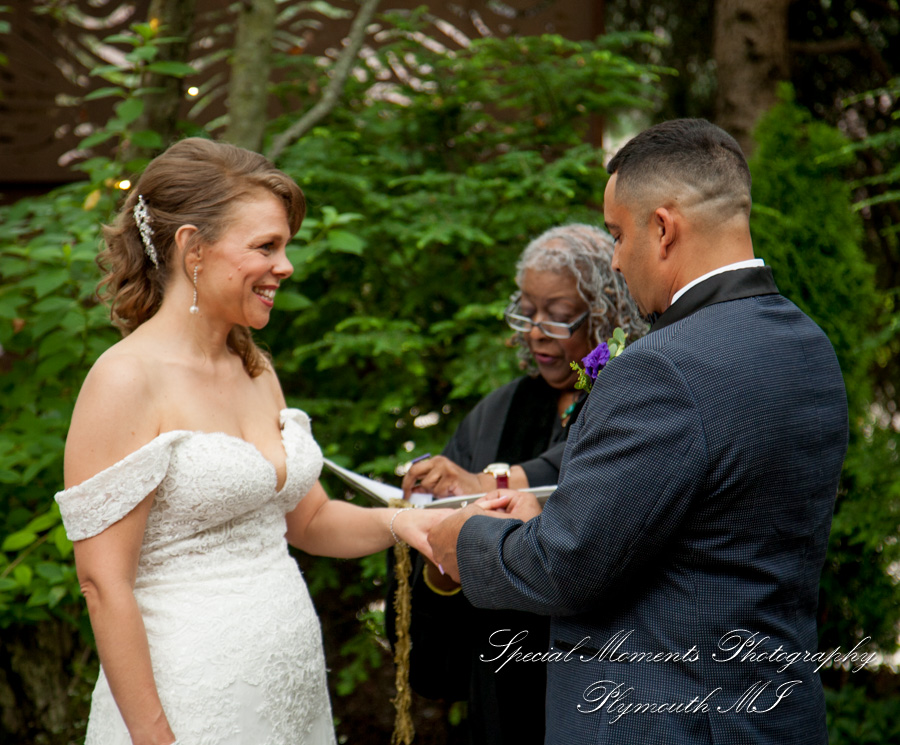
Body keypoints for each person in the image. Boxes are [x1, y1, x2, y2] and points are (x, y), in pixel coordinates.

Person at [429, 119, 849, 745]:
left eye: (618, 234)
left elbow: (566, 568)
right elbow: (706, 529)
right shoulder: (808, 344)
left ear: (663, 227)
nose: (617, 258)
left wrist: (460, 538)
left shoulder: (663, 367)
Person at [54, 137, 452, 745]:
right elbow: (103, 584)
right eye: (266, 246)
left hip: (286, 694)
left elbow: (309, 520)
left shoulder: (255, 367)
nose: (285, 266)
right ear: (192, 246)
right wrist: (154, 736)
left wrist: (407, 526)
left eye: (284, 246)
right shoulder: (124, 380)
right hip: (187, 700)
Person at [388, 225, 644, 745]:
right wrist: (438, 537)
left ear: (606, 310)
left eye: (557, 313)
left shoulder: (633, 399)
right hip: (501, 673)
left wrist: (489, 483)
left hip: (600, 675)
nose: (535, 331)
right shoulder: (497, 412)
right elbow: (441, 555)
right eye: (527, 311)